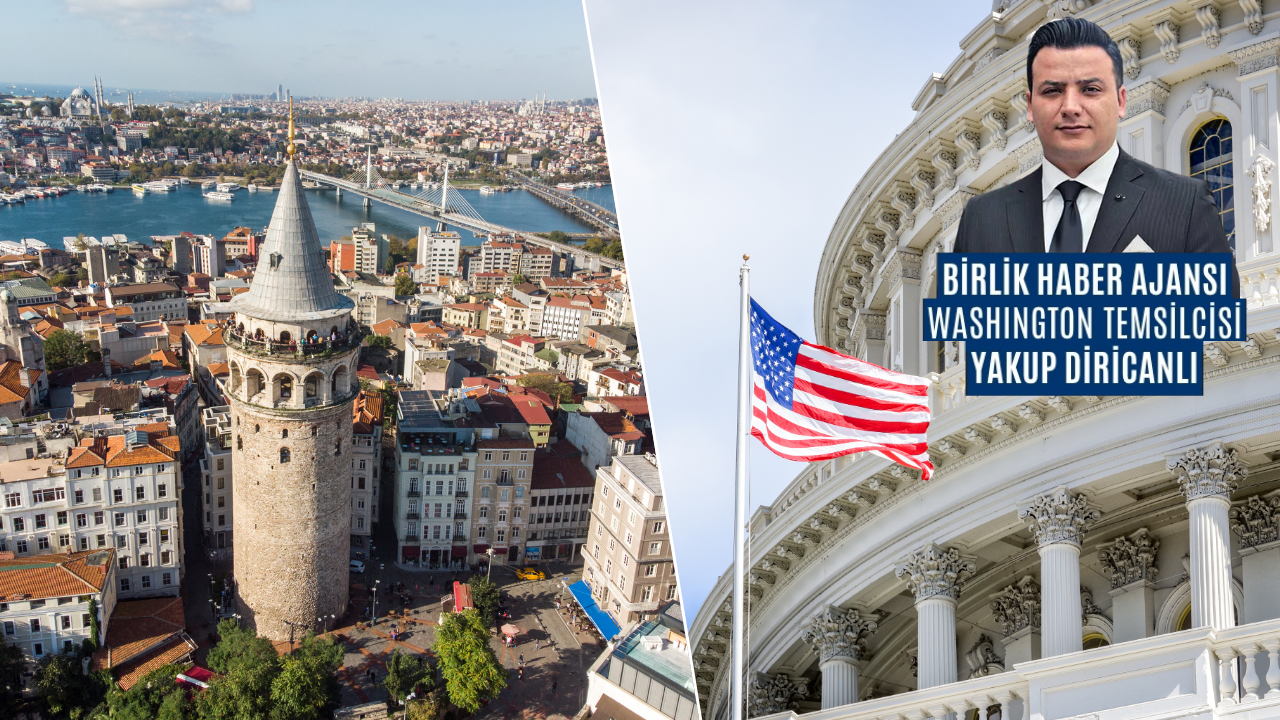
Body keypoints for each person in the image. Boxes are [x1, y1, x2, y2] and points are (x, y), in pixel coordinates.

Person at [953, 18, 1239, 293]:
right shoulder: (981, 219)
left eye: (1090, 89)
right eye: (1052, 90)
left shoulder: (1184, 205)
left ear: (1121, 101)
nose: (1070, 107)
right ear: (1030, 106)